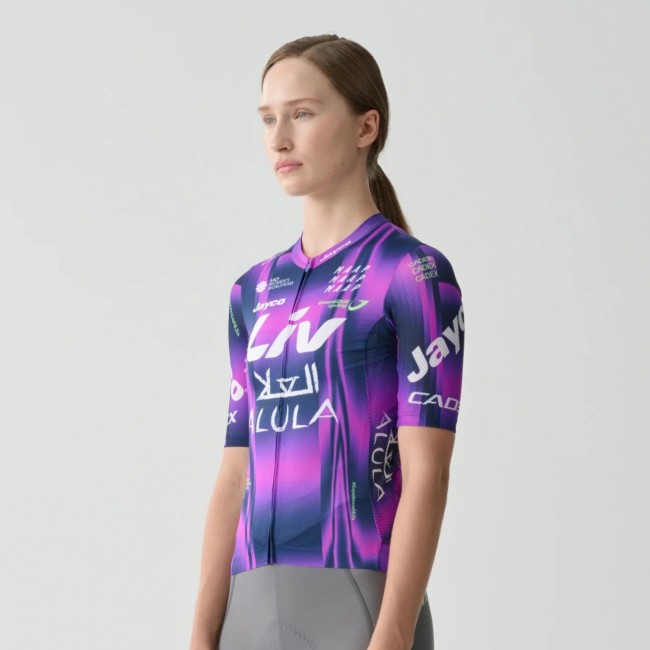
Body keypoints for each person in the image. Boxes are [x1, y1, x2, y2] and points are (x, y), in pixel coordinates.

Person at [189, 34, 465, 650]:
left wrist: (392, 635)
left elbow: (429, 473)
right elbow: (235, 472)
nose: (279, 139)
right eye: (268, 119)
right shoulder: (251, 292)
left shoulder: (412, 275)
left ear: (367, 126)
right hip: (247, 613)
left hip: (362, 606)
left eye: (303, 113)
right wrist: (202, 633)